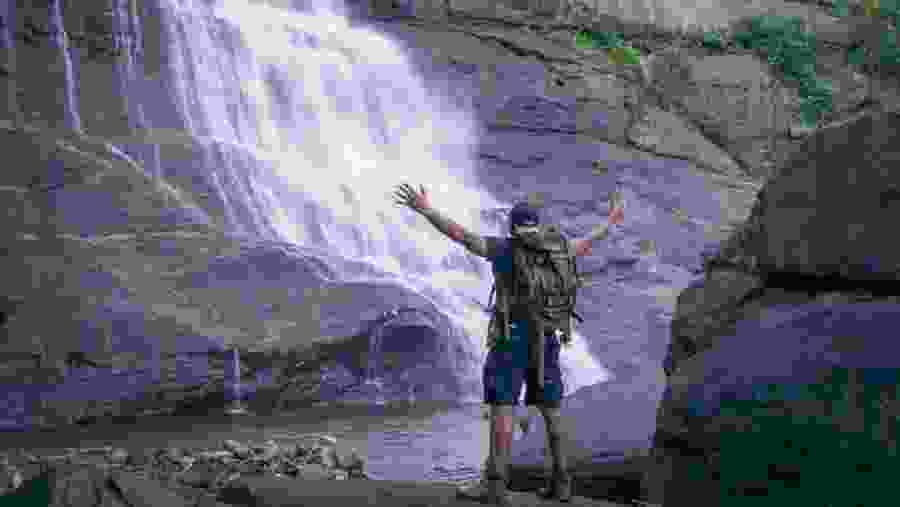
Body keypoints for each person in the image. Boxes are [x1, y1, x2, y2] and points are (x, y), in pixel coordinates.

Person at [393, 184, 624, 505]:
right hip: (547, 338)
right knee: (552, 411)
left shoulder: (504, 249)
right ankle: (562, 483)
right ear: (538, 226)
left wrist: (426, 209)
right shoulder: (559, 250)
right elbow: (588, 241)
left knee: (503, 409)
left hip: (510, 338)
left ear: (512, 227)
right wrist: (610, 221)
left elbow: (461, 236)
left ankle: (496, 485)